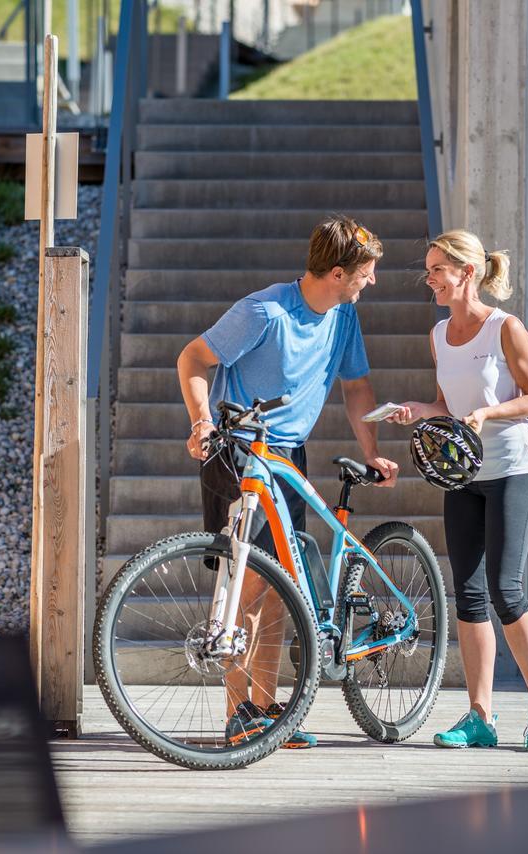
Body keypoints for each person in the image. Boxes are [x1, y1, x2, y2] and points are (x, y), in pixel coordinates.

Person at [176, 215, 400, 750]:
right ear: (339, 271)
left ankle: (267, 708)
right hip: (237, 451)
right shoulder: (265, 310)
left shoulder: (344, 317)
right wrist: (201, 422)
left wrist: (373, 452)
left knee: (280, 592)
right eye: (366, 273)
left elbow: (356, 386)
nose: (372, 283)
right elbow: (193, 358)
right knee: (247, 587)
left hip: (288, 458)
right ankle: (239, 716)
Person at [389, 229, 528, 752]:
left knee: (507, 591)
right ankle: (479, 715)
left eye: (437, 268)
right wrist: (419, 412)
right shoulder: (439, 334)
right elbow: (447, 404)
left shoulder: (505, 328)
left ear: (467, 272)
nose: (430, 278)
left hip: (513, 471)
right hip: (462, 476)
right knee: (467, 595)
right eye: (428, 268)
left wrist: (490, 411)